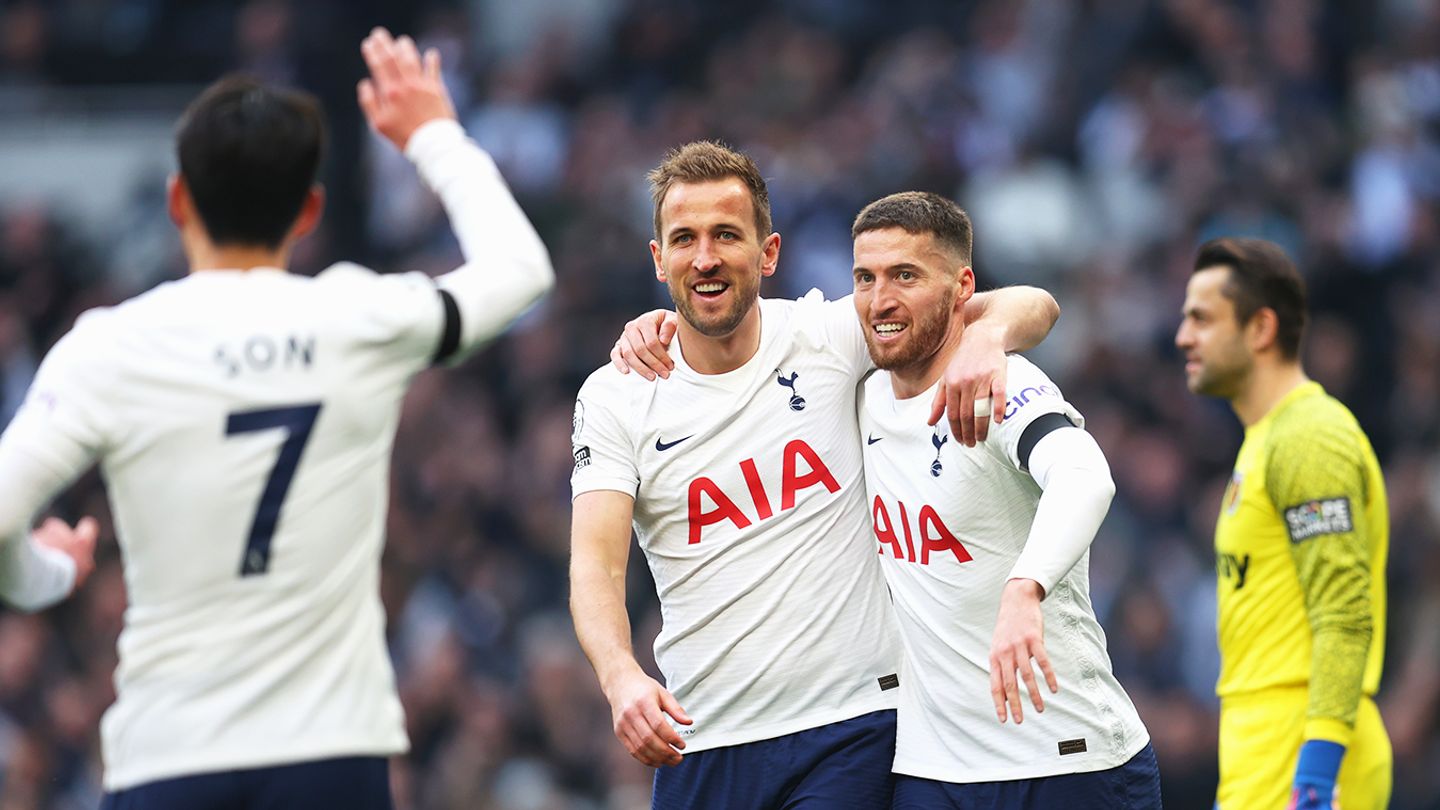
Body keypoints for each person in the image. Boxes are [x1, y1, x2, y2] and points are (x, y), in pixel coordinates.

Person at [0, 28, 553, 808]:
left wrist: (46, 575)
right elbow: (521, 271)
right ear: (309, 212)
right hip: (331, 753)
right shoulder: (361, 317)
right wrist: (433, 133)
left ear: (177, 200)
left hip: (170, 755)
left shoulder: (112, 347)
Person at [569, 142, 1058, 808]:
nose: (705, 257)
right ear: (659, 260)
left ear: (768, 253)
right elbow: (596, 565)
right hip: (702, 736)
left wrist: (982, 339)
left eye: (726, 235)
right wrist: (621, 677)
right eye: (684, 238)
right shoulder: (617, 394)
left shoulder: (829, 336)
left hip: (854, 725)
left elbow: (1035, 304)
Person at [849, 192, 1158, 809]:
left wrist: (1025, 588)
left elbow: (1085, 474)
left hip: (1065, 760)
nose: (880, 299)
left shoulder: (998, 381)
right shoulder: (852, 389)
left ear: (962, 285)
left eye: (905, 276)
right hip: (931, 772)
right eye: (865, 277)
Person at [1175, 237, 1390, 810]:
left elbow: (1344, 612)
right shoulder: (1265, 441)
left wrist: (1317, 773)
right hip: (1265, 747)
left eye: (1201, 319)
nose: (1183, 337)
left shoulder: (1308, 437)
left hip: (1304, 753)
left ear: (1261, 329)